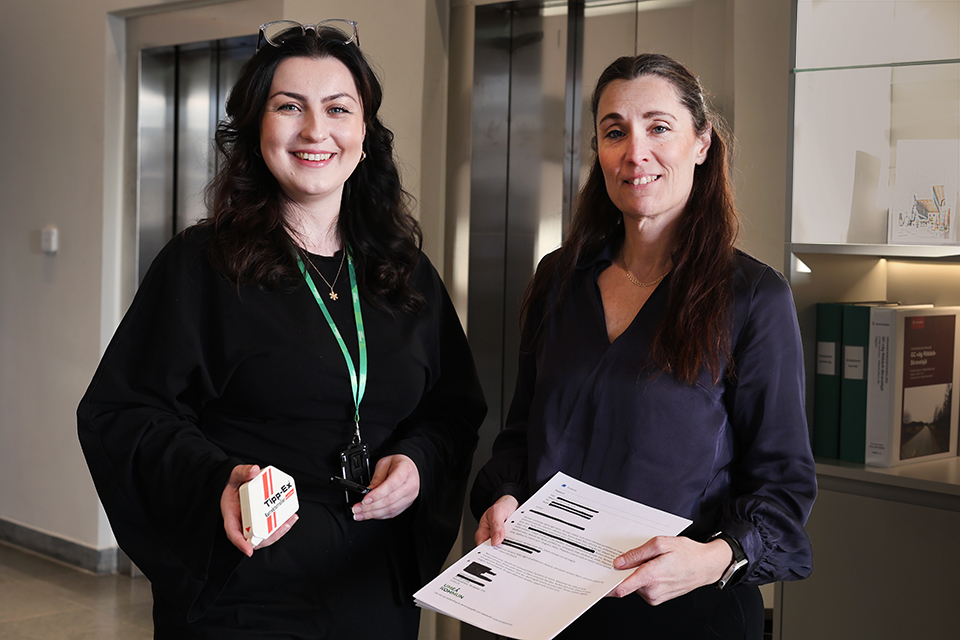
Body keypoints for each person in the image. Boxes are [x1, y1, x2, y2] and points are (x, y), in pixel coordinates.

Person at [77, 20, 485, 639]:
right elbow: (124, 412)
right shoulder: (202, 264)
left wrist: (418, 461)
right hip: (245, 594)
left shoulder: (404, 272)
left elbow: (454, 409)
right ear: (256, 130)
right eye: (288, 106)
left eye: (338, 109)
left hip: (373, 593)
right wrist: (216, 480)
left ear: (365, 133)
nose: (315, 130)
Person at [471, 53, 816, 639]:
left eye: (659, 127)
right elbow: (520, 435)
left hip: (684, 615)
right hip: (545, 607)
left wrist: (712, 559)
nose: (636, 152)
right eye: (615, 132)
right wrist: (503, 497)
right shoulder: (559, 278)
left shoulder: (753, 297)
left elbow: (782, 483)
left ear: (701, 143)